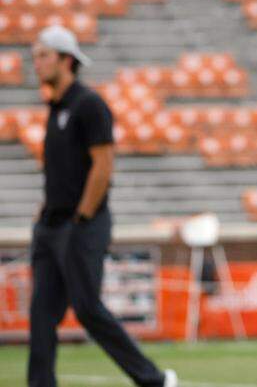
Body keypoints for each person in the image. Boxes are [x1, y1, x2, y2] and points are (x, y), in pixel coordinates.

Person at [27, 26, 176, 387]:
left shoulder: (88, 105)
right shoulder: (56, 108)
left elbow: (103, 165)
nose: (37, 63)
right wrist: (46, 210)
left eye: (43, 55)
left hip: (81, 224)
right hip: (51, 224)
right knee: (42, 312)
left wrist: (81, 216)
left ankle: (153, 379)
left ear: (66, 60)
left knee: (88, 308)